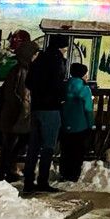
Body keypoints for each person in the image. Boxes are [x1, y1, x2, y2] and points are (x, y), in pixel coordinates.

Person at [22, 34, 68, 194]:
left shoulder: (39, 60)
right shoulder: (57, 62)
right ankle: (42, 180)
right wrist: (61, 96)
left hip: (36, 108)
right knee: (48, 146)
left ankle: (28, 182)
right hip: (51, 108)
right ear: (61, 48)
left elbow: (28, 82)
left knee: (33, 146)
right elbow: (58, 85)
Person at [0, 38, 37, 182]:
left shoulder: (21, 69)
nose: (35, 56)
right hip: (16, 114)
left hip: (15, 113)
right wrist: (23, 107)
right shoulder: (21, 70)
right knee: (12, 143)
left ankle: (7, 170)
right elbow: (18, 93)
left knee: (14, 142)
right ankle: (4, 172)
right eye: (34, 54)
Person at [59, 63, 95, 181]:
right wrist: (90, 124)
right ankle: (74, 174)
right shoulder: (84, 89)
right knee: (77, 151)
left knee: (66, 149)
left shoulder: (65, 86)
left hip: (65, 123)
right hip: (80, 125)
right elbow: (88, 109)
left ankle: (64, 172)